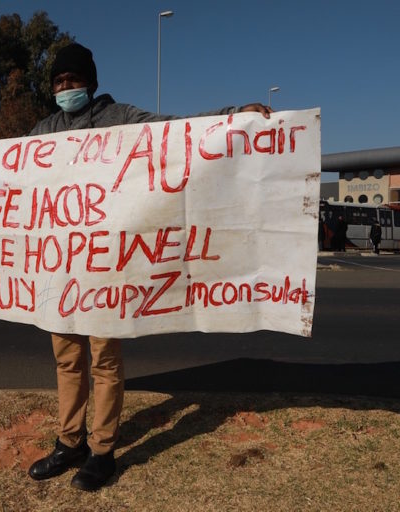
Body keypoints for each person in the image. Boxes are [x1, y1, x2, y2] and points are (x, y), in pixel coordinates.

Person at [26, 42, 272, 492]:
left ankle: (102, 451)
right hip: (59, 269)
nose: (66, 89)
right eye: (59, 83)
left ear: (90, 82)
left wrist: (233, 117)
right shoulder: (45, 130)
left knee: (103, 358)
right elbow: (10, 172)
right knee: (66, 358)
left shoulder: (118, 118)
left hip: (105, 266)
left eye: (73, 80)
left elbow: (174, 131)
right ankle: (69, 442)